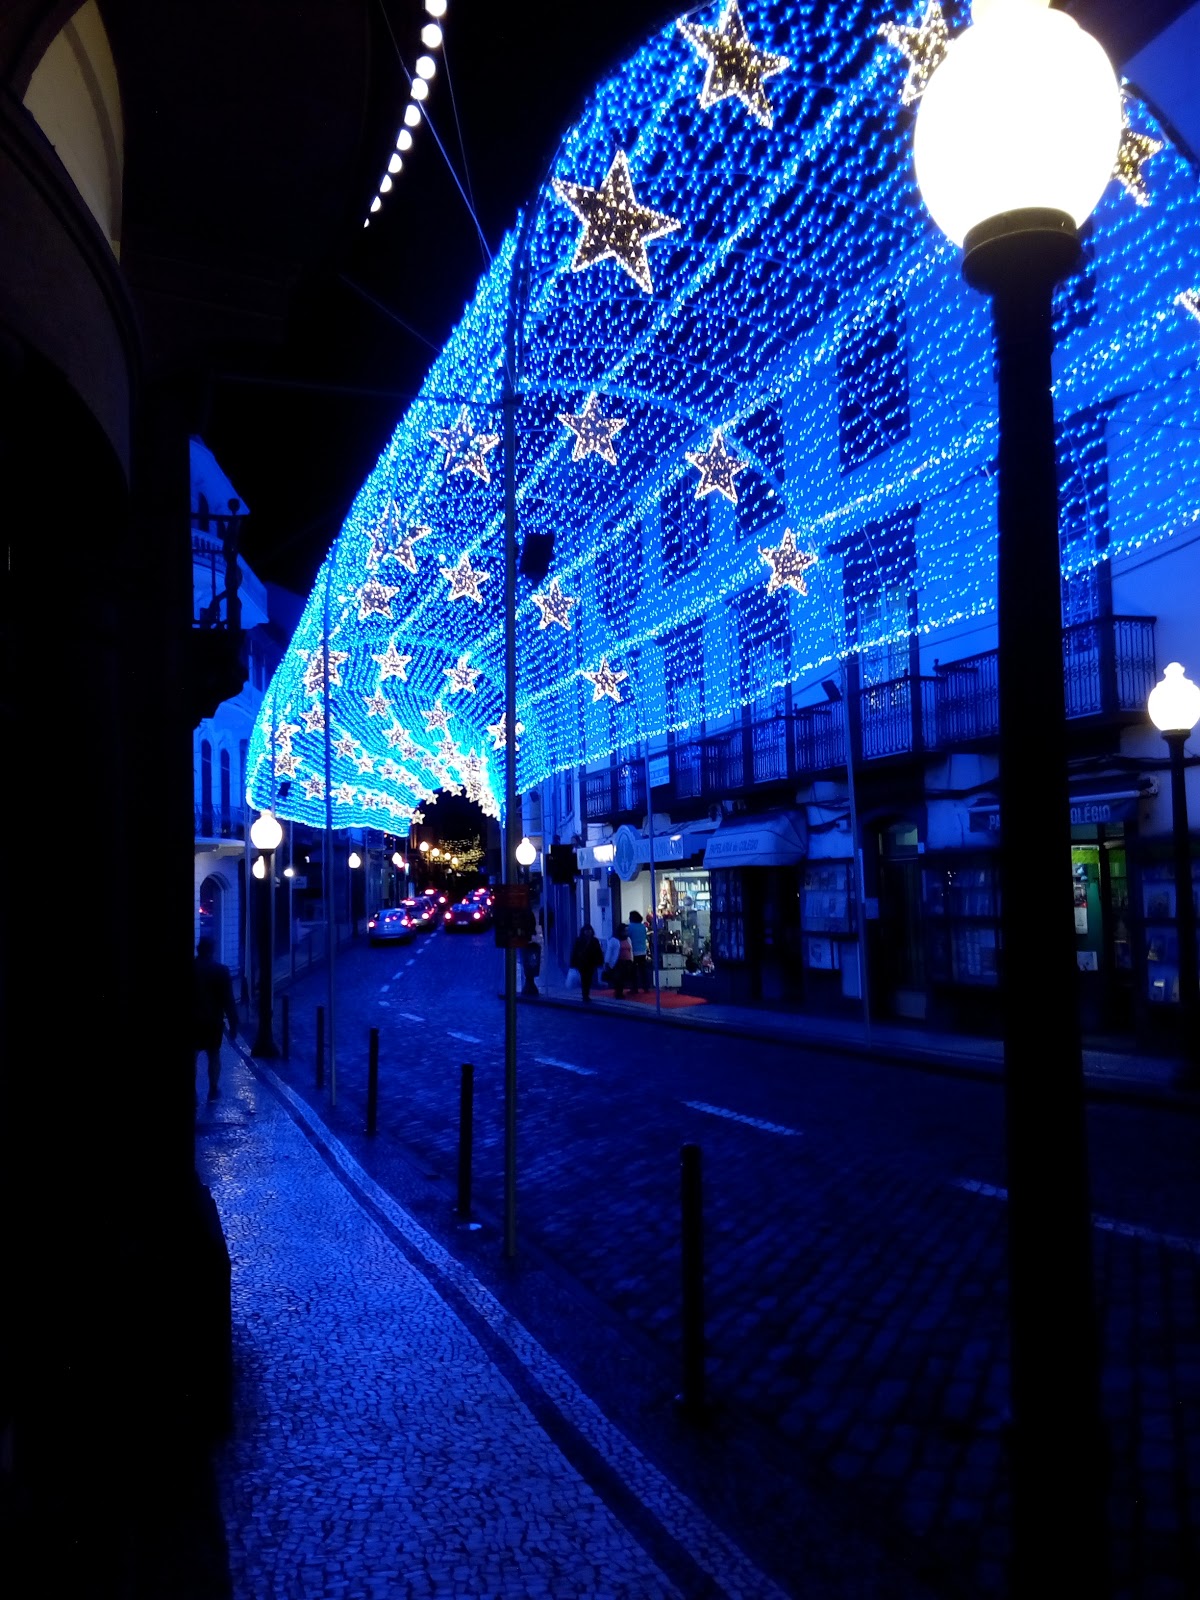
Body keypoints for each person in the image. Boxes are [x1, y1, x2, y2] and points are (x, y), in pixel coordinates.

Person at [195, 935, 238, 1103]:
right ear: (212, 951)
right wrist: (233, 1024)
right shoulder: (221, 971)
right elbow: (228, 1000)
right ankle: (213, 1089)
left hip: (192, 1022)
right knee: (214, 1055)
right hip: (213, 1022)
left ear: (198, 949)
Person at [569, 923, 603, 1002]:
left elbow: (598, 951)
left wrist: (600, 961)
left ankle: (586, 994)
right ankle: (585, 995)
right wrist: (573, 963)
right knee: (584, 979)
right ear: (583, 931)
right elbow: (575, 952)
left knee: (589, 979)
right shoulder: (579, 940)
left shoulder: (594, 941)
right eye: (586, 931)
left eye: (589, 931)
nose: (588, 932)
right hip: (582, 963)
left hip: (591, 963)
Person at [627, 910, 649, 993]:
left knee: (633, 971)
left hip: (633, 951)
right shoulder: (642, 926)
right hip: (642, 950)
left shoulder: (630, 927)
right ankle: (645, 987)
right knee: (643, 970)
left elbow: (628, 937)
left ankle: (634, 988)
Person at [610, 923, 635, 999]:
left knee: (624, 977)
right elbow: (610, 951)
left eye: (627, 931)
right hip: (619, 961)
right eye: (625, 931)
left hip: (627, 961)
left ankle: (620, 991)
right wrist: (607, 962)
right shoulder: (614, 940)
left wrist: (631, 959)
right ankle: (618, 992)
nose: (626, 932)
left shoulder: (628, 939)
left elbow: (630, 950)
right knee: (619, 977)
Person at [521, 915, 543, 997]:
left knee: (528, 963)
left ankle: (529, 985)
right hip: (527, 941)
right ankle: (530, 985)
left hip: (526, 942)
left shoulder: (526, 915)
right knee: (529, 964)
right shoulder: (529, 915)